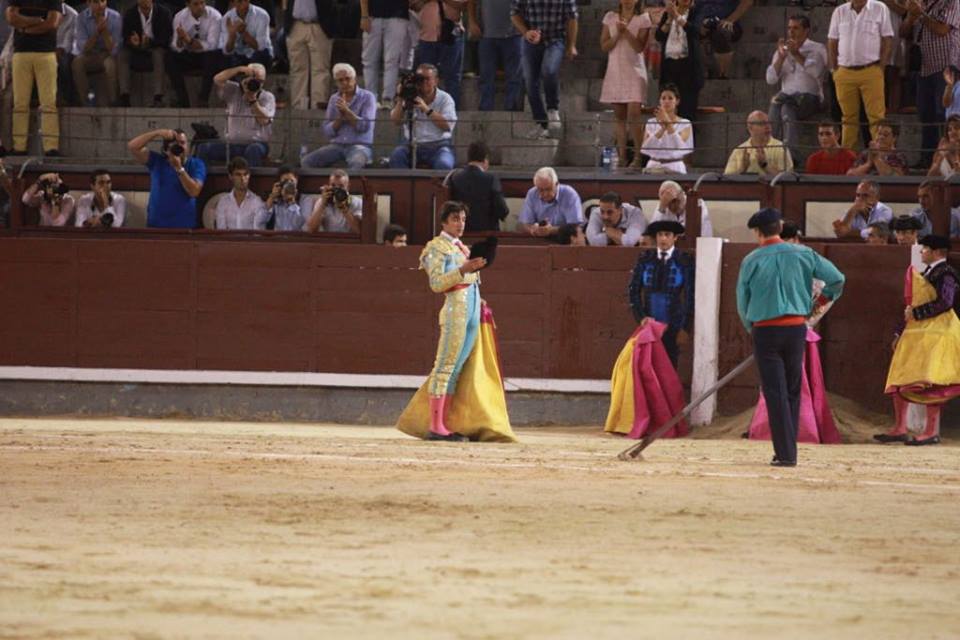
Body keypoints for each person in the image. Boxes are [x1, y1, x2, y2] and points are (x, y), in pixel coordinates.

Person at [395, 200, 517, 442]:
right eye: (455, 219)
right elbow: (437, 284)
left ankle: (444, 423)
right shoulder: (435, 248)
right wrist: (463, 270)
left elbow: (472, 280)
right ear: (443, 222)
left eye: (462, 219)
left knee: (456, 369)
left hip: (470, 309)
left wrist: (480, 300)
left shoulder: (461, 248)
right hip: (455, 312)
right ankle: (435, 426)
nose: (460, 224)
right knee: (444, 367)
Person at [736, 207, 845, 467]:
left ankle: (785, 453)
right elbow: (837, 280)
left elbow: (742, 301)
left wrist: (752, 328)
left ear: (757, 232)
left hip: (765, 329)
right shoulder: (804, 253)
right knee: (793, 390)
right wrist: (818, 303)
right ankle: (788, 450)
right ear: (780, 228)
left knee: (775, 391)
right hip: (797, 329)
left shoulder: (752, 259)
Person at [881, 234, 960, 446]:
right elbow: (911, 307)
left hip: (938, 333)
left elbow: (946, 301)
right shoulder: (930, 272)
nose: (921, 252)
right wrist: (900, 331)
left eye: (924, 249)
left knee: (930, 381)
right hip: (922, 332)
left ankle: (931, 431)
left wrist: (917, 314)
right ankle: (900, 427)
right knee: (902, 375)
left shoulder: (946, 273)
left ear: (936, 252)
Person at [827, 0, 894, 149]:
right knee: (848, 119)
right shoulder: (839, 11)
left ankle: (881, 157)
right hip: (844, 72)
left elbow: (887, 39)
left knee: (876, 118)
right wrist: (835, 70)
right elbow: (832, 41)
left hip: (871, 70)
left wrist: (881, 67)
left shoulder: (880, 8)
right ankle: (848, 158)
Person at [627, 220, 694, 368]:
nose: (663, 238)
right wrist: (641, 317)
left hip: (673, 325)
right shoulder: (645, 258)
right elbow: (633, 291)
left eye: (667, 235)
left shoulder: (684, 260)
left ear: (675, 237)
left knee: (669, 366)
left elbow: (690, 296)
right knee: (647, 366)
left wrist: (685, 327)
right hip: (649, 323)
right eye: (660, 235)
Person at [900, 0, 960, 166]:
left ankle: (948, 160)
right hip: (923, 68)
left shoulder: (951, 2)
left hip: (945, 66)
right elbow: (903, 32)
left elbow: (942, 30)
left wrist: (920, 14)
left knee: (943, 114)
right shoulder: (917, 3)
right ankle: (928, 158)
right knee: (925, 114)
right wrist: (911, 17)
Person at [510, 0, 579, 139]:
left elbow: (572, 18)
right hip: (531, 38)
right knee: (529, 80)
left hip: (555, 38)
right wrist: (526, 32)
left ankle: (552, 108)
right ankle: (541, 122)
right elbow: (514, 13)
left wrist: (571, 45)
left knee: (549, 70)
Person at [765, 15, 826, 163]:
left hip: (810, 99)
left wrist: (796, 54)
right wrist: (780, 57)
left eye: (796, 28)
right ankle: (781, 153)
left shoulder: (817, 48)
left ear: (806, 31)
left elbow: (817, 72)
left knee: (779, 101)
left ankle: (780, 152)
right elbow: (770, 79)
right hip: (787, 100)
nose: (791, 32)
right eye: (789, 28)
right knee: (783, 106)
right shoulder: (782, 51)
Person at [599, 0, 650, 169]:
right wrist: (617, 34)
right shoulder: (610, 17)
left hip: (635, 71)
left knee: (634, 114)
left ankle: (637, 157)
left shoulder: (643, 18)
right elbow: (604, 46)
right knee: (619, 117)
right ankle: (621, 157)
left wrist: (626, 31)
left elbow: (639, 47)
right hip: (615, 71)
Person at [7, 0, 62, 155]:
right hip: (21, 53)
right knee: (19, 103)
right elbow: (11, 18)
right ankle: (19, 147)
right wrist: (36, 21)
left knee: (49, 103)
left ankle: (51, 146)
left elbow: (52, 23)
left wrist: (24, 28)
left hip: (46, 53)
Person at [195, 63, 275, 166]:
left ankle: (249, 182)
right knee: (204, 148)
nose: (256, 84)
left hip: (257, 144)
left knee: (253, 150)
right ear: (245, 78)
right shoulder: (234, 90)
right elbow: (217, 79)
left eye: (260, 81)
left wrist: (253, 100)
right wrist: (238, 69)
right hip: (232, 144)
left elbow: (263, 120)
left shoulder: (267, 97)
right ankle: (200, 180)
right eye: (253, 79)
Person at [301, 63, 376, 170]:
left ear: (354, 79)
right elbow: (327, 131)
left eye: (348, 79)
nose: (345, 83)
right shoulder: (334, 99)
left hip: (360, 146)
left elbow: (364, 127)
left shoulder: (368, 97)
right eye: (340, 80)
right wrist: (340, 118)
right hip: (337, 145)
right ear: (336, 82)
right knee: (307, 162)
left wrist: (347, 112)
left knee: (356, 163)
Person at [127, 127, 207, 228]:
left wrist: (179, 168)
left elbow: (194, 191)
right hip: (155, 226)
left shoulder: (196, 164)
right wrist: (157, 133)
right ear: (166, 149)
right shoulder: (157, 161)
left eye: (183, 143)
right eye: (175, 144)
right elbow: (132, 146)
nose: (180, 147)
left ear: (187, 145)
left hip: (184, 228)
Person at [388, 63, 457, 170]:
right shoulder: (410, 94)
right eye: (420, 79)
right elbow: (396, 121)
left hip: (439, 145)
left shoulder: (445, 98)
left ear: (436, 81)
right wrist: (401, 97)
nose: (424, 82)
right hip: (411, 144)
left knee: (444, 164)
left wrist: (427, 109)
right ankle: (404, 186)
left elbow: (447, 125)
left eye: (428, 79)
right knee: (396, 157)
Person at [654, 0, 703, 124]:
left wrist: (677, 16)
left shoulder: (696, 13)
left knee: (687, 111)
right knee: (668, 108)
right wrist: (670, 19)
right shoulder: (667, 14)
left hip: (688, 68)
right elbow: (659, 35)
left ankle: (687, 140)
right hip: (669, 66)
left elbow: (696, 32)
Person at [167, 0, 223, 108]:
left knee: (213, 56)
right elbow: (175, 46)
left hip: (207, 56)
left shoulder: (215, 16)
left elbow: (212, 45)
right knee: (169, 58)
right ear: (188, 5)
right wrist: (180, 40)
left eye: (202, 3)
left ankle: (203, 99)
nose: (200, 7)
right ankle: (182, 100)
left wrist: (190, 41)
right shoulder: (180, 17)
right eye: (196, 4)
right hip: (189, 55)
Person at [469, 0, 523, 111]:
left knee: (514, 76)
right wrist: (472, 22)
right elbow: (471, 2)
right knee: (486, 75)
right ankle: (485, 108)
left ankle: (511, 108)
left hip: (514, 35)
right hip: (487, 35)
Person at [118, 0, 172, 107]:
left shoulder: (164, 13)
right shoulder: (130, 14)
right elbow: (125, 38)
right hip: (136, 51)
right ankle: (125, 96)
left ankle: (158, 97)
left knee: (158, 54)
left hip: (155, 48)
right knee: (122, 54)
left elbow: (167, 39)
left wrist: (150, 42)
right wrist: (132, 42)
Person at [411, 0, 465, 108]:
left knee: (452, 76)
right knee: (424, 78)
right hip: (426, 37)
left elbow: (462, 5)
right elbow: (414, 6)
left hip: (451, 36)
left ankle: (451, 111)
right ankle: (426, 109)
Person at [447, 141, 509, 232]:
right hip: (487, 234)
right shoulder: (491, 179)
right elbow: (502, 210)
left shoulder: (455, 178)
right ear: (485, 159)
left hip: (461, 232)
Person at [284, 0, 333, 110]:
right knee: (297, 69)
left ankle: (318, 107)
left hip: (319, 25)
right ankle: (299, 107)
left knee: (320, 69)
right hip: (296, 24)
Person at [71, 0, 121, 107]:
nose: (100, 5)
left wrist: (105, 32)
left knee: (110, 65)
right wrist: (97, 32)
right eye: (96, 2)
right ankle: (85, 102)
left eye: (103, 1)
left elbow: (114, 50)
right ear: (88, 3)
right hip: (91, 54)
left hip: (108, 54)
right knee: (77, 63)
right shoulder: (81, 18)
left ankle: (113, 101)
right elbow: (83, 48)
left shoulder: (115, 17)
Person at [360, 0, 409, 106]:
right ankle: (370, 98)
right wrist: (364, 15)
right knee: (369, 60)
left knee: (392, 60)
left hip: (398, 15)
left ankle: (388, 98)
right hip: (373, 15)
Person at [639, 83, 693, 174]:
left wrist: (668, 123)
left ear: (677, 101)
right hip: (653, 165)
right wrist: (662, 128)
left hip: (675, 166)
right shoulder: (651, 123)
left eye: (670, 98)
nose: (666, 101)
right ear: (659, 101)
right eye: (663, 98)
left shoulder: (685, 123)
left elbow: (679, 146)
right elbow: (646, 146)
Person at [691, 0, 752, 80]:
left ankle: (723, 73)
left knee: (721, 33)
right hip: (701, 22)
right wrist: (697, 24)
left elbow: (747, 2)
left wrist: (730, 19)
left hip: (725, 22)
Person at [517, 166, 583, 237]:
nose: (545, 194)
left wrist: (551, 230)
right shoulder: (532, 194)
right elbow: (525, 224)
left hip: (565, 240)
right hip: (539, 239)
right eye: (541, 190)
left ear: (557, 184)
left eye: (548, 189)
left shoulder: (569, 194)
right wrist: (532, 230)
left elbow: (575, 227)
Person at [723, 111, 793, 176]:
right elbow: (727, 180)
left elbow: (788, 179)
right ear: (750, 128)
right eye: (762, 124)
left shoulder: (780, 147)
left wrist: (765, 165)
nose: (767, 127)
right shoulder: (739, 150)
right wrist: (742, 169)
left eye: (769, 123)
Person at [304, 169, 363, 233]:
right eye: (333, 186)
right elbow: (311, 229)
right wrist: (322, 205)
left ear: (348, 187)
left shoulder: (358, 202)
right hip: (329, 240)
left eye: (341, 186)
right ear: (329, 186)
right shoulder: (322, 201)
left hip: (351, 241)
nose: (337, 190)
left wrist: (344, 209)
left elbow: (359, 230)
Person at [214, 156, 263, 229]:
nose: (243, 179)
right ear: (230, 176)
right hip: (229, 240)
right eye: (238, 175)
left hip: (250, 240)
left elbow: (258, 233)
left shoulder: (257, 201)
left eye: (245, 174)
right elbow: (221, 232)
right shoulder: (223, 202)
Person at [219, 0, 272, 66]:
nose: (244, 3)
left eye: (246, 0)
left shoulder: (262, 15)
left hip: (257, 54)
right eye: (240, 1)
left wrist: (243, 32)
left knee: (261, 55)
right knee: (222, 58)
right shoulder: (227, 18)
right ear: (233, 2)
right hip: (238, 55)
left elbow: (261, 47)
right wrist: (232, 36)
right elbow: (226, 51)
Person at [55, 0, 76, 106]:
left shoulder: (72, 15)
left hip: (66, 50)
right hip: (46, 48)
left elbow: (70, 41)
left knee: (63, 61)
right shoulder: (43, 11)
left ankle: (66, 98)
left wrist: (60, 50)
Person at [928, 114, 960, 178]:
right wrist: (942, 154)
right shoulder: (943, 142)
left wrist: (955, 152)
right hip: (943, 183)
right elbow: (931, 174)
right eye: (949, 130)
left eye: (956, 128)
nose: (952, 131)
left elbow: (958, 174)